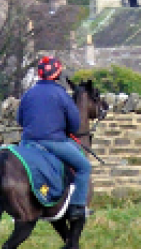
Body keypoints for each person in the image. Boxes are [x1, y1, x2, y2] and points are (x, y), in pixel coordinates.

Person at [17, 56, 90, 222]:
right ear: (57, 73)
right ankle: (77, 207)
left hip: (27, 143)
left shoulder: (28, 94)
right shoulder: (61, 94)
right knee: (84, 166)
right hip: (54, 143)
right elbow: (74, 124)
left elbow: (20, 120)